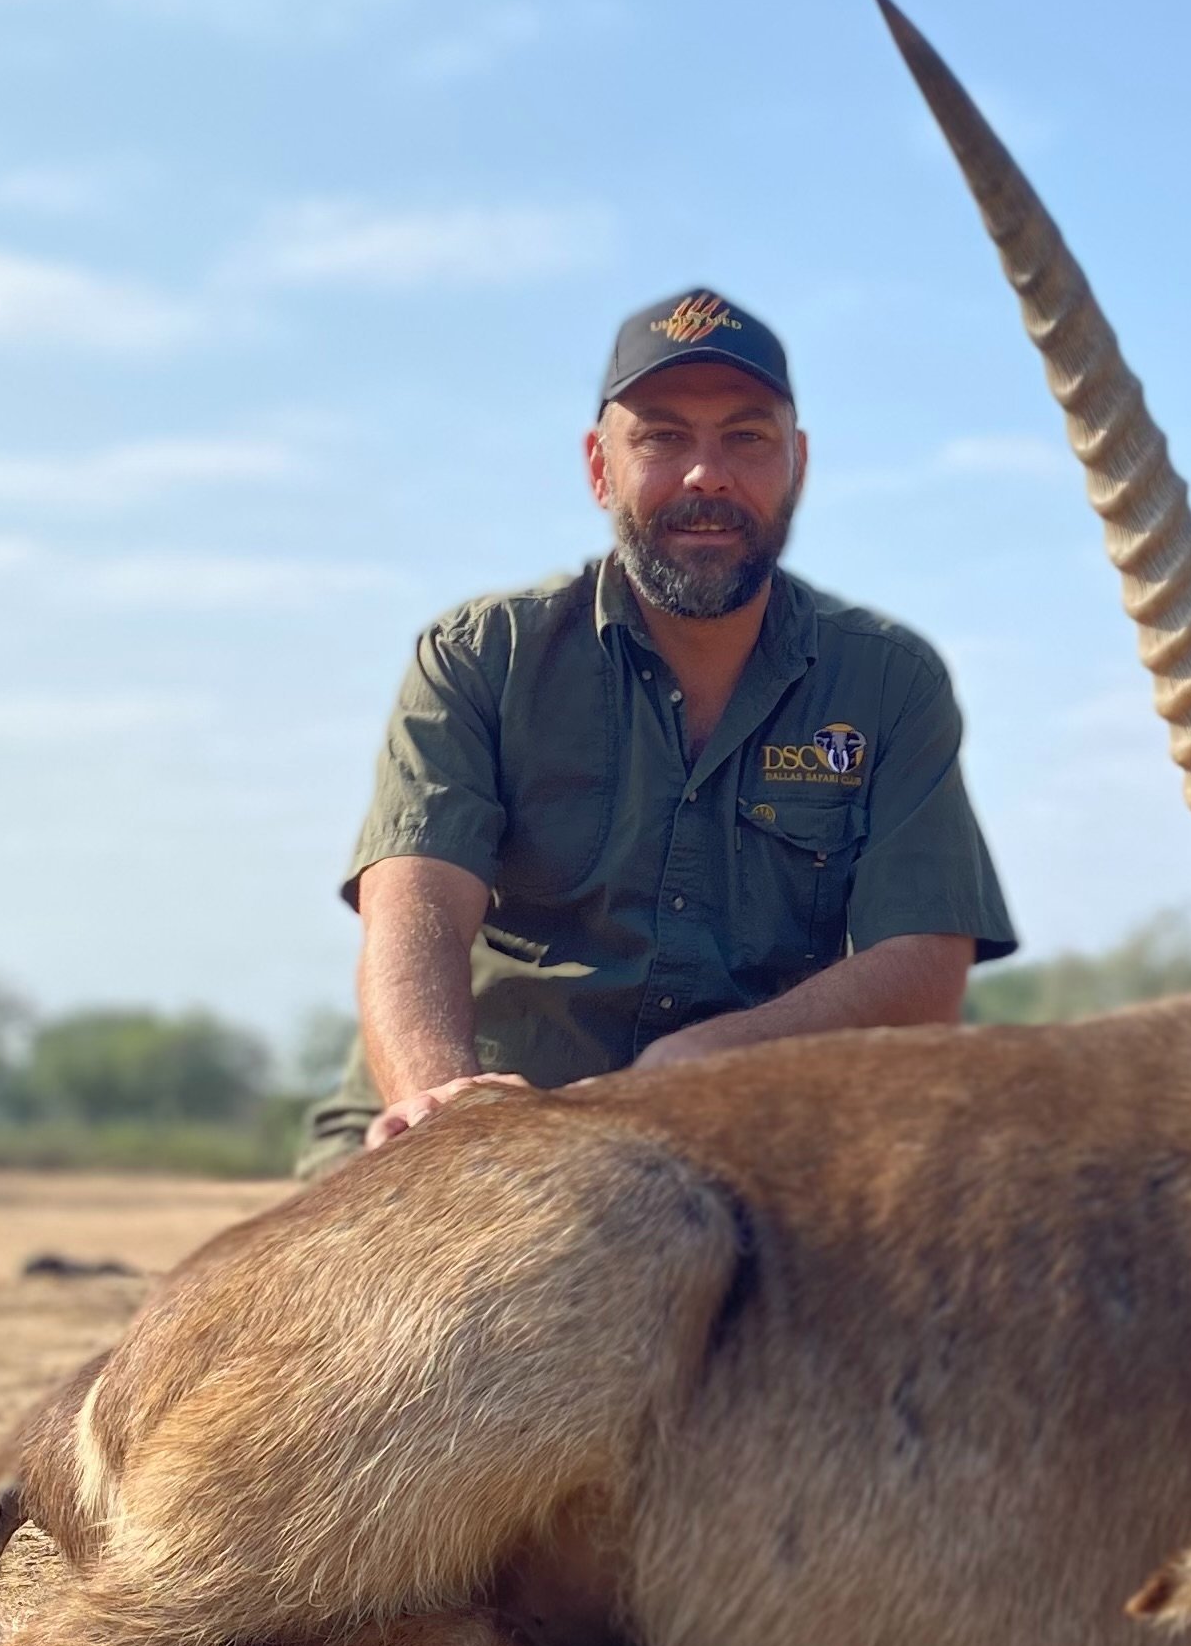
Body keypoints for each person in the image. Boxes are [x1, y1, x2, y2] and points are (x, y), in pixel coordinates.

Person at [300, 286, 1017, 1169]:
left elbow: (924, 961)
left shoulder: (888, 681)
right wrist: (443, 1103)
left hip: (731, 1130)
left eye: (746, 439)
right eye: (663, 437)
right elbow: (413, 909)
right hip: (479, 1122)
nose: (706, 475)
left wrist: (705, 1060)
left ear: (797, 466)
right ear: (601, 468)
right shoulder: (482, 657)